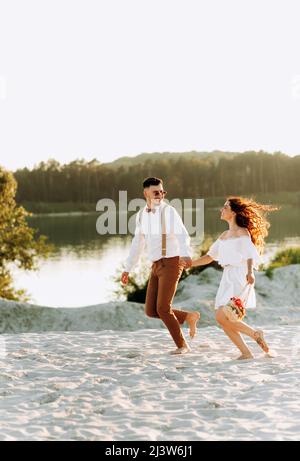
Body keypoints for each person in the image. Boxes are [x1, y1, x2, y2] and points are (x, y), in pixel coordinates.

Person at [187, 196, 278, 360]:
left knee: (223, 316)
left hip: (239, 274)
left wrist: (250, 272)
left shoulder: (242, 232)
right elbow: (209, 257)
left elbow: (250, 254)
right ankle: (246, 352)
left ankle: (254, 334)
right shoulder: (224, 235)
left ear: (234, 212)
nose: (222, 210)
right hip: (227, 276)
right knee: (224, 319)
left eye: (225, 207)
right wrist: (189, 264)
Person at [121, 177, 200, 355]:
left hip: (172, 262)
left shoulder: (169, 211)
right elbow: (137, 244)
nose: (160, 195)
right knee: (151, 310)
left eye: (162, 192)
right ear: (146, 193)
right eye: (156, 192)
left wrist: (186, 254)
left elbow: (182, 234)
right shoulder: (141, 215)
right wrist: (128, 268)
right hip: (156, 265)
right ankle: (188, 316)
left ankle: (182, 345)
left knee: (163, 308)